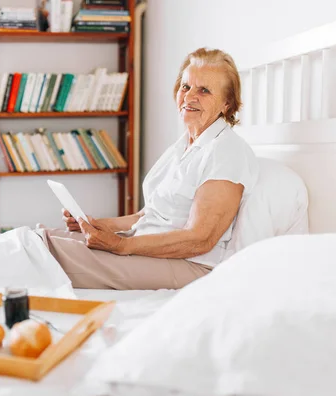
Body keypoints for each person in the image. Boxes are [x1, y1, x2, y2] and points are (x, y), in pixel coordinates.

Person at [36, 47, 259, 290]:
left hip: (190, 266)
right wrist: (100, 226)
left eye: (204, 90)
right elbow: (147, 216)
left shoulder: (227, 151)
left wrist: (120, 246)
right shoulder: (183, 146)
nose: (189, 97)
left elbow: (200, 239)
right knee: (46, 238)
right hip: (147, 250)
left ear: (227, 104)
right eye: (185, 87)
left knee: (43, 251)